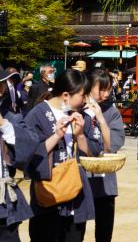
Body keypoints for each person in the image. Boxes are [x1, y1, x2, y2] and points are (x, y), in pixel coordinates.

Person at [25, 69, 97, 242]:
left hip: (76, 193)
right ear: (66, 95)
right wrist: (56, 135)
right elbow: (28, 156)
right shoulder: (37, 115)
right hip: (50, 195)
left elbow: (94, 152)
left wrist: (80, 135)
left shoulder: (80, 115)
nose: (85, 100)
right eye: (82, 95)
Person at [83, 68, 125, 242]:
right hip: (80, 178)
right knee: (74, 228)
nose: (106, 94)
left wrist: (100, 118)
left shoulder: (111, 111)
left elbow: (116, 141)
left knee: (104, 229)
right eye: (101, 89)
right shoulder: (75, 108)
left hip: (105, 179)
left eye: (109, 89)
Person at [0, 71, 37, 242]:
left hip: (3, 200)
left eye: (2, 85)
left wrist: (4, 125)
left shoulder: (11, 118)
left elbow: (31, 145)